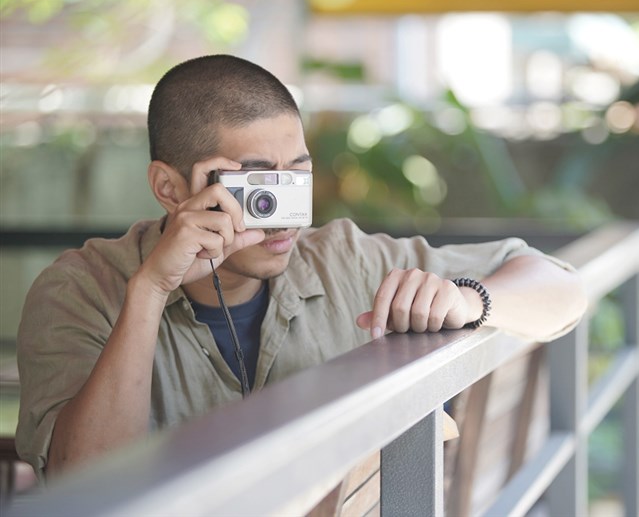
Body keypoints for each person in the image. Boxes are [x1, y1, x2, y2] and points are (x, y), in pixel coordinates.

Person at [15, 54, 587, 481]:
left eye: (297, 175)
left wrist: (469, 300)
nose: (284, 211)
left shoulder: (340, 259)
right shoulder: (79, 290)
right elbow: (84, 485)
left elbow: (561, 288)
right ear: (170, 188)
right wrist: (150, 291)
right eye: (258, 183)